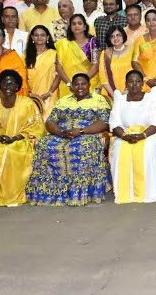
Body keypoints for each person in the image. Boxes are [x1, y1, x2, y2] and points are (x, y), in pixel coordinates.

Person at [26, 73, 112, 206]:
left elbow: (105, 122)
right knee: (44, 145)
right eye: (76, 84)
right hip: (62, 133)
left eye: (83, 83)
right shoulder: (63, 101)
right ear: (71, 87)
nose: (80, 87)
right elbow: (50, 121)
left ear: (89, 85)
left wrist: (81, 131)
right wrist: (59, 132)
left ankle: (79, 192)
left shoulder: (98, 100)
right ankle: (50, 192)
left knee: (79, 147)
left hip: (87, 133)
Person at [0, 70, 44, 208]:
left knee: (12, 153)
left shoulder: (26, 103)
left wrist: (17, 137)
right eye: (5, 83)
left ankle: (12, 192)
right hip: (2, 141)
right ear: (0, 86)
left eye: (12, 83)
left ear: (17, 86)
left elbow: (37, 125)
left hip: (22, 140)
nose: (8, 86)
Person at [109, 70, 156, 204]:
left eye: (138, 81)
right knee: (120, 148)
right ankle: (127, 192)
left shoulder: (151, 98)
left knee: (148, 149)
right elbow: (114, 124)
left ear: (142, 83)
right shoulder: (120, 99)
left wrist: (142, 135)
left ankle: (148, 191)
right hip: (126, 134)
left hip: (149, 134)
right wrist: (125, 136)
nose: (134, 85)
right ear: (126, 84)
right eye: (131, 82)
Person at [24, 26, 60, 117]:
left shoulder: (54, 53)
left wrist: (49, 93)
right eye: (36, 35)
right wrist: (30, 94)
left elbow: (59, 75)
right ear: (32, 37)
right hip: (31, 96)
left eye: (42, 35)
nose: (39, 37)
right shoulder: (25, 55)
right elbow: (22, 76)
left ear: (47, 37)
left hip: (51, 95)